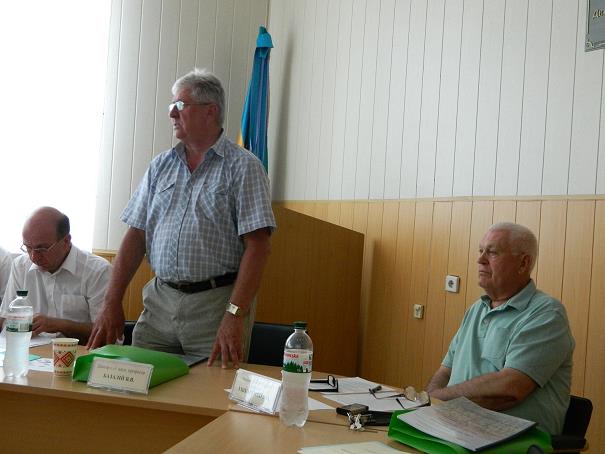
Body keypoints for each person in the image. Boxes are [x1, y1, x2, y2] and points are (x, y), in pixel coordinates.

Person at [87, 68, 275, 369]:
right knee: (138, 382)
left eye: (180, 105)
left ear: (210, 111)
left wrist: (234, 314)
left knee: (210, 390)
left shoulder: (244, 167)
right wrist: (112, 301)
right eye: (171, 105)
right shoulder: (161, 166)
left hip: (215, 305)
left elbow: (258, 247)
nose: (172, 113)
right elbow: (136, 236)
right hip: (160, 301)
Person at [426, 222, 574, 435]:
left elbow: (509, 390)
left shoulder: (547, 314)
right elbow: (445, 371)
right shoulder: (476, 309)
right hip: (455, 429)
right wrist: (428, 404)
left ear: (523, 263)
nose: (480, 259)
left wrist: (438, 400)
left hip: (510, 441)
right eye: (480, 251)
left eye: (492, 252)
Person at [0, 207, 112, 341]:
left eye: (42, 248)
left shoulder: (97, 271)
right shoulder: (20, 266)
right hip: (30, 351)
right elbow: (6, 320)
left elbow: (107, 334)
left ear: (66, 241)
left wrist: (61, 325)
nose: (33, 257)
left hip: (79, 352)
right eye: (28, 248)